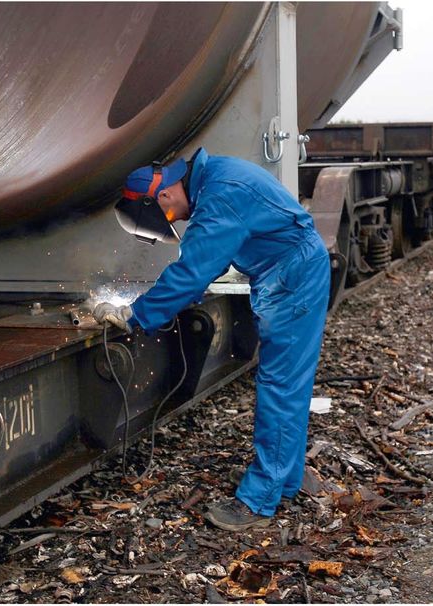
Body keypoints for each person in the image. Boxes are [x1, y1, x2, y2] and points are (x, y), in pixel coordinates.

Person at [94, 148, 330, 531]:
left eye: (170, 216)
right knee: (289, 384)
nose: (178, 220)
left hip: (292, 280)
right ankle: (285, 480)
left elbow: (193, 272)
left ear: (165, 194)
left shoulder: (221, 197)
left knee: (280, 386)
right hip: (290, 274)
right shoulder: (215, 177)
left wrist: (136, 315)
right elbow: (209, 258)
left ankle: (258, 502)